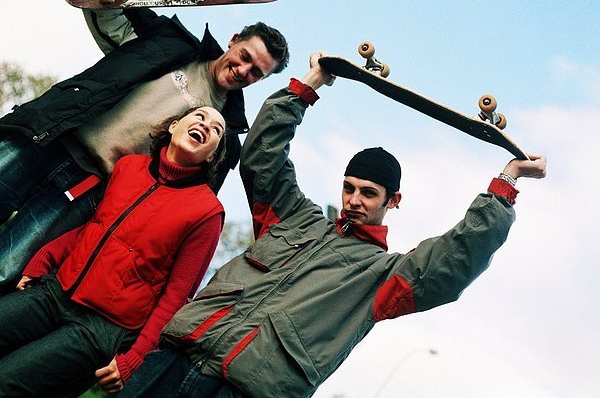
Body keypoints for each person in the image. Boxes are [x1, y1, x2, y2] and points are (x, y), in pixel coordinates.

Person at [121, 52, 547, 398]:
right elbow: (262, 158)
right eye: (349, 188)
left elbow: (457, 256)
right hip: (174, 359)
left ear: (392, 201)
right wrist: (308, 86)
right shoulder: (295, 216)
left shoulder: (384, 277)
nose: (354, 200)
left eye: (368, 193)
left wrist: (506, 182)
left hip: (244, 391)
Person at [0, 0, 289, 293]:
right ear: (233, 41)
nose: (243, 71)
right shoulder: (170, 44)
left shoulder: (222, 141)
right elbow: (103, 5)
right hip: (49, 137)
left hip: (88, 188)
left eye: (256, 72)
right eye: (244, 57)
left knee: (8, 268)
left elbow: (176, 201)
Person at [0, 105, 229, 397]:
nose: (206, 126)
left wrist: (136, 357)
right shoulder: (128, 167)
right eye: (200, 117)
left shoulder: (206, 212)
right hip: (55, 292)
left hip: (99, 330)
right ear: (173, 126)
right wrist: (44, 259)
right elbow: (94, 229)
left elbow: (176, 297)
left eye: (217, 130)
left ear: (211, 155)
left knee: (6, 380)